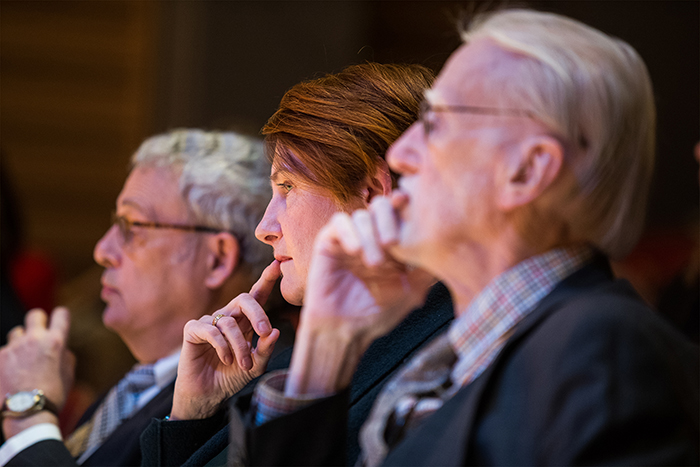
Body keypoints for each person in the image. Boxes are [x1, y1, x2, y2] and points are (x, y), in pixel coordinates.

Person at [232, 9, 699, 466]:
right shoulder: (458, 354)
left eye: (435, 124)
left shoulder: (606, 353)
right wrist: (324, 354)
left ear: (527, 171)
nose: (402, 152)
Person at [139, 63, 453, 467]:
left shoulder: (444, 364)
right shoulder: (280, 366)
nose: (264, 228)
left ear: (373, 192)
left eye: (288, 187)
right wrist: (192, 416)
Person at [0, 129, 274, 466]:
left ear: (216, 259)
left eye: (132, 225)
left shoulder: (238, 404)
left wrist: (28, 414)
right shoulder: (139, 381)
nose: (102, 250)